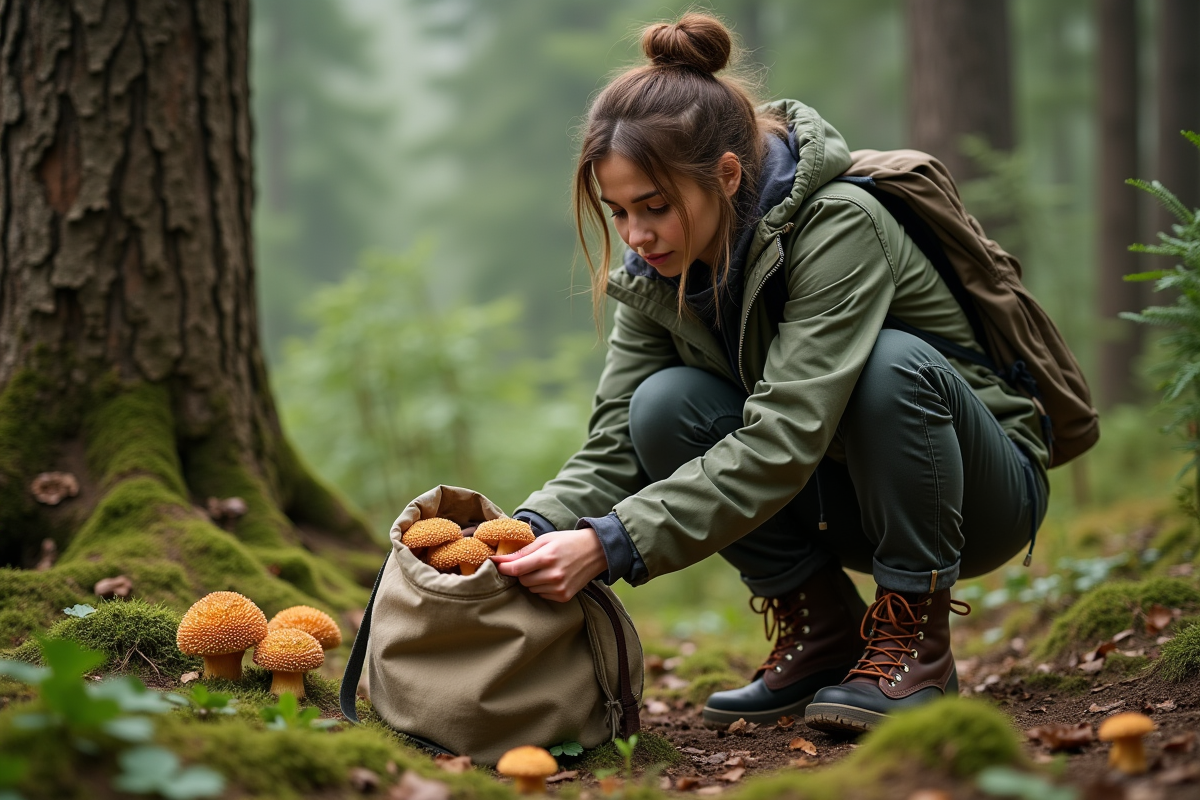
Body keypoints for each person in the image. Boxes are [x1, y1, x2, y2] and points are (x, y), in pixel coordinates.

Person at [489, 12, 1048, 734]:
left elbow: (785, 434)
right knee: (662, 406)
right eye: (619, 211)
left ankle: (918, 646)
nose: (634, 236)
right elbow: (615, 447)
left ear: (726, 177)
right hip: (838, 493)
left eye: (654, 207)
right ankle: (823, 635)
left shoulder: (839, 226)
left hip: (977, 494)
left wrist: (609, 543)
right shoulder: (659, 271)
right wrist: (521, 528)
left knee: (892, 368)